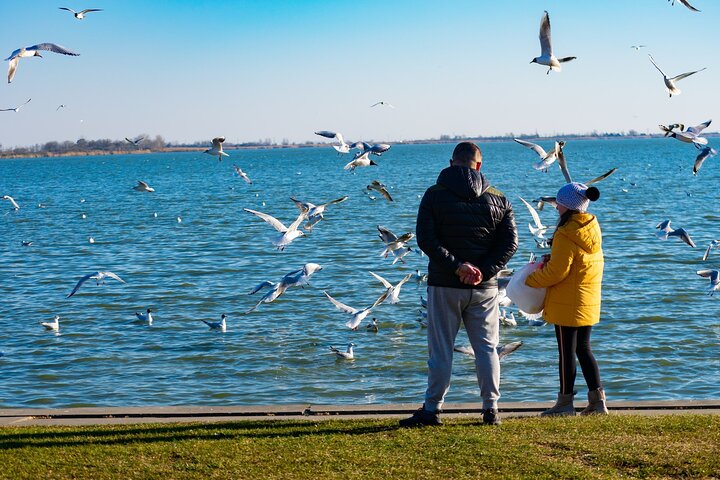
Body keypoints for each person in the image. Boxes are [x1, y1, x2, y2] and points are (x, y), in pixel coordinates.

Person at [400, 142, 518, 427]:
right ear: (479, 165)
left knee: (441, 349)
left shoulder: (434, 194)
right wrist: (483, 271)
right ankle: (491, 409)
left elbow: (426, 239)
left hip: (445, 284)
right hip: (485, 288)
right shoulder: (499, 198)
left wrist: (457, 266)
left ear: (452, 163)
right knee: (487, 348)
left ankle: (432, 409)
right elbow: (510, 243)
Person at [525, 182, 608, 416]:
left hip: (566, 301)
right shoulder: (591, 227)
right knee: (584, 349)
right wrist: (553, 256)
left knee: (566, 353)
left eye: (558, 203)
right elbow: (578, 260)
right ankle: (598, 402)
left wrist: (529, 280)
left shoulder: (565, 232)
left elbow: (557, 272)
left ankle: (564, 404)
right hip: (587, 298)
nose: (556, 207)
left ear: (567, 206)